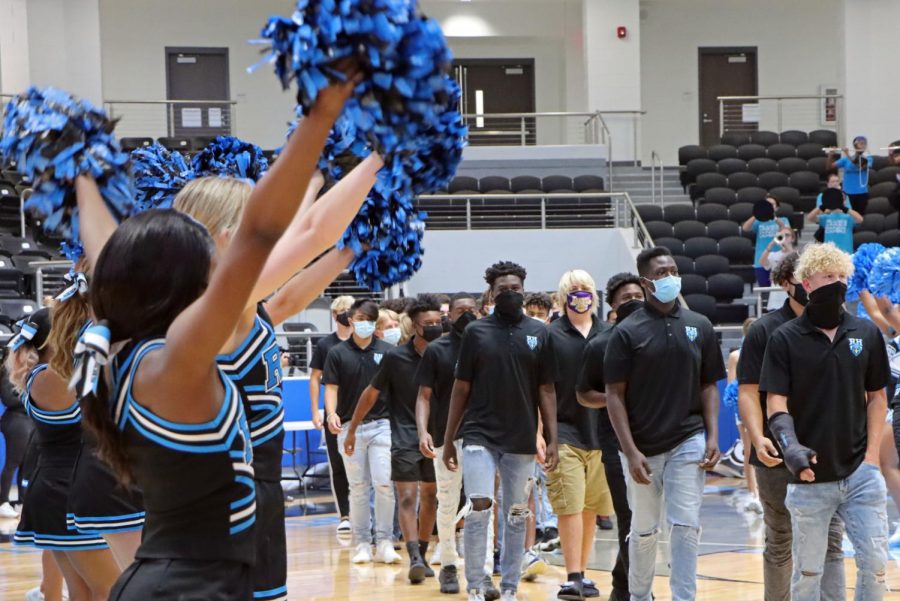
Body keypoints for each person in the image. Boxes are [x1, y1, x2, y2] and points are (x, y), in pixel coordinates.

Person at [73, 74, 357, 599]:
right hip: (187, 587)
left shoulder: (139, 347)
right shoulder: (179, 356)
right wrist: (321, 122)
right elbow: (268, 235)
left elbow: (106, 253)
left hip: (181, 579)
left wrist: (78, 172)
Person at [760, 243, 889, 601]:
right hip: (810, 475)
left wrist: (872, 458)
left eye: (842, 276)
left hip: (860, 473)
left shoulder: (865, 333)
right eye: (828, 276)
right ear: (806, 283)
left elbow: (877, 397)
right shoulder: (783, 338)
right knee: (808, 572)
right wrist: (791, 447)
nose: (837, 282)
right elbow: (775, 401)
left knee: (876, 563)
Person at [604, 246, 725, 601]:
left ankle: (683, 597)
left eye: (673, 270)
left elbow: (708, 384)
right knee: (643, 530)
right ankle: (639, 596)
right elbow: (613, 395)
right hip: (641, 446)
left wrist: (712, 435)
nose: (670, 277)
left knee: (686, 526)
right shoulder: (627, 332)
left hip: (688, 439)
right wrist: (630, 451)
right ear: (645, 283)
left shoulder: (698, 325)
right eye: (661, 273)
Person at [442, 260, 559, 601]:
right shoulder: (476, 332)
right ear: (491, 294)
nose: (509, 294)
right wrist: (449, 440)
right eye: (502, 290)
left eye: (515, 289)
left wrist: (551, 438)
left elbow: (547, 390)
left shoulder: (539, 333)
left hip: (521, 438)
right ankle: (477, 583)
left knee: (517, 514)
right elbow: (460, 388)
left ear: (524, 291)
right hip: (479, 434)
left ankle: (509, 586)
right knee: (479, 505)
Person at [738, 250, 847, 601]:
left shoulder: (842, 325)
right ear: (789, 284)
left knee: (831, 537)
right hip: (776, 449)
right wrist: (757, 437)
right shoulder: (764, 330)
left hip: (827, 448)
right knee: (780, 537)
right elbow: (749, 392)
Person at [8, 310, 120, 601]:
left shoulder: (50, 374)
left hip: (62, 487)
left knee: (83, 591)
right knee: (109, 588)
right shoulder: (50, 376)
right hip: (65, 491)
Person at [345, 294, 443, 584]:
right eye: (429, 323)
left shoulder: (448, 354)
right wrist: (352, 429)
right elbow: (370, 393)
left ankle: (423, 553)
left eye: (439, 321)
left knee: (430, 496)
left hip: (438, 438)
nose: (436, 327)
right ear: (415, 326)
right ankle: (414, 556)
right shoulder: (395, 357)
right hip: (402, 437)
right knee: (408, 495)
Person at [416, 293, 497, 597]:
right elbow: (423, 395)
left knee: (483, 503)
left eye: (471, 310)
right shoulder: (437, 350)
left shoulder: (489, 345)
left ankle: (485, 571)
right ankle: (448, 562)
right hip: (445, 436)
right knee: (448, 501)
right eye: (460, 310)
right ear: (449, 315)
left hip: (485, 437)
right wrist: (423, 431)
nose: (466, 315)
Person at [577, 272, 646, 601]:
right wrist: (616, 398)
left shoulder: (661, 336)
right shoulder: (601, 344)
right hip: (615, 440)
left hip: (659, 437)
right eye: (625, 298)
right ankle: (636, 590)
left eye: (638, 295)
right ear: (614, 307)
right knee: (629, 515)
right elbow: (583, 393)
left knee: (650, 519)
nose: (633, 300)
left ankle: (621, 583)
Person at [545, 269, 610, 601]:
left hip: (602, 434)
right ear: (562, 296)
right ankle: (572, 576)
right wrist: (542, 434)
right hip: (564, 430)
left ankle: (583, 573)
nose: (580, 294)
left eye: (585, 288)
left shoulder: (609, 333)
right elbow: (540, 388)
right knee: (568, 505)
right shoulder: (550, 336)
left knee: (590, 508)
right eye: (574, 289)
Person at [324, 299, 400, 565]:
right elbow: (330, 388)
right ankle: (362, 543)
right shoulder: (337, 353)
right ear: (351, 320)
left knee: (383, 483)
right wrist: (331, 413)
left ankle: (386, 540)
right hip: (348, 427)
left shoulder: (389, 351)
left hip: (382, 425)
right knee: (357, 487)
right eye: (359, 318)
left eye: (369, 318)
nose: (364, 323)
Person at [309, 295, 355, 536]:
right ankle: (345, 515)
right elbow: (315, 378)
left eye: (352, 309)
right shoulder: (326, 345)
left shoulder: (363, 342)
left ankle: (364, 513)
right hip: (335, 413)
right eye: (344, 310)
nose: (349, 314)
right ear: (335, 315)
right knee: (338, 465)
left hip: (361, 412)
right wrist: (316, 410)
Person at [0, 361, 31, 517]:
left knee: (26, 464)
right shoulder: (6, 372)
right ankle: (2, 502)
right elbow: (8, 399)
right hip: (15, 421)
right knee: (13, 462)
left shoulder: (29, 373)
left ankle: (22, 501)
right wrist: (30, 400)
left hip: (29, 422)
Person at [742, 195, 790, 288]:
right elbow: (745, 228)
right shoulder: (758, 222)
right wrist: (756, 214)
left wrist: (774, 218)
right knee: (764, 291)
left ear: (777, 207)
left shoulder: (783, 220)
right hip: (761, 260)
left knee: (781, 290)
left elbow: (786, 230)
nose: (769, 206)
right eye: (767, 204)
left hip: (779, 261)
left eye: (772, 204)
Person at [827, 136, 873, 214]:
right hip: (847, 193)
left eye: (864, 144)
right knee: (848, 216)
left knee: (860, 217)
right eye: (861, 143)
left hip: (862, 193)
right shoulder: (846, 160)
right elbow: (829, 167)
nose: (863, 145)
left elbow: (860, 166)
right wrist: (831, 155)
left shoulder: (868, 158)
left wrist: (847, 154)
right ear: (855, 146)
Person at [809, 189, 863, 255]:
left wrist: (844, 208)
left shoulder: (848, 218)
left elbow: (860, 219)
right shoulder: (826, 218)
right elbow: (810, 218)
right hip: (829, 254)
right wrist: (822, 206)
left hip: (846, 253)